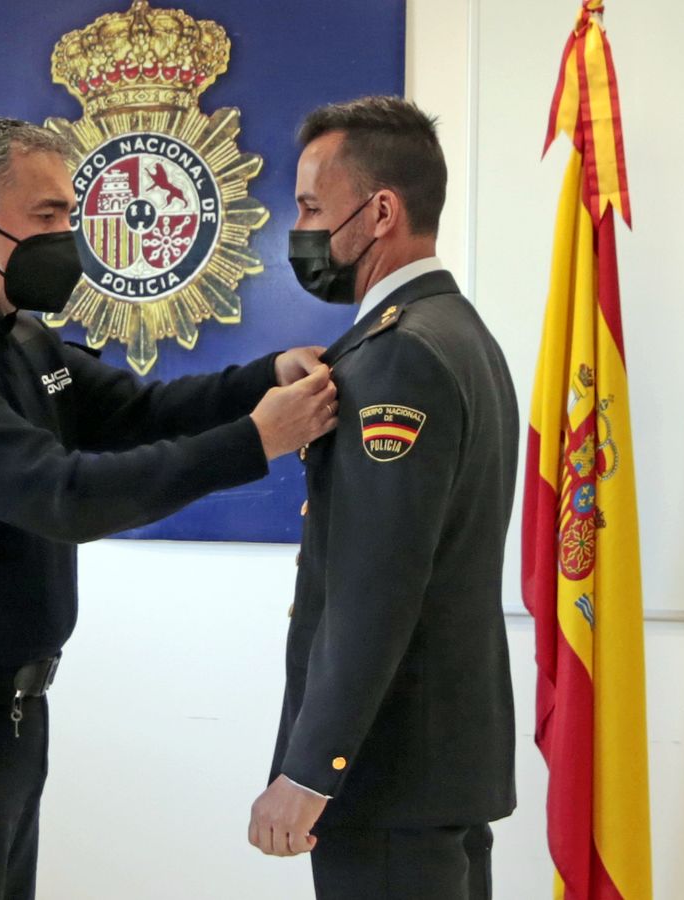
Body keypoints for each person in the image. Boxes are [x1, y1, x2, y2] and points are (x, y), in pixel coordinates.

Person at [0, 117, 337, 900]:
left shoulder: (16, 337)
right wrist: (254, 442)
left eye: (70, 215)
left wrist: (264, 375)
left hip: (5, 711)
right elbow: (62, 497)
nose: (68, 235)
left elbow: (143, 410)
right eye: (47, 217)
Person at [247, 96, 521, 899]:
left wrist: (311, 769)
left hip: (389, 777)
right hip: (434, 772)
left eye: (308, 207)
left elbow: (376, 586)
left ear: (380, 212)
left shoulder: (399, 358)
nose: (296, 227)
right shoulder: (457, 334)